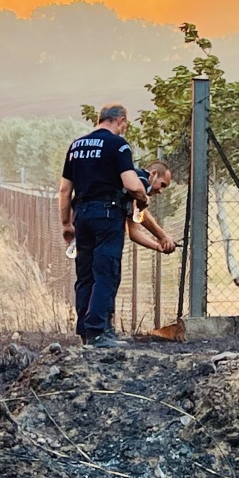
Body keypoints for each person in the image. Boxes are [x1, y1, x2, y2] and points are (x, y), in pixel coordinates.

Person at [58, 103, 148, 348]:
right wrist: (143, 198)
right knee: (105, 271)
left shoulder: (76, 146)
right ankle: (99, 332)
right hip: (107, 214)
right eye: (124, 125)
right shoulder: (117, 144)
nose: (124, 129)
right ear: (120, 120)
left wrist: (66, 224)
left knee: (85, 274)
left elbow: (65, 190)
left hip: (82, 216)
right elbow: (132, 184)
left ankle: (85, 332)